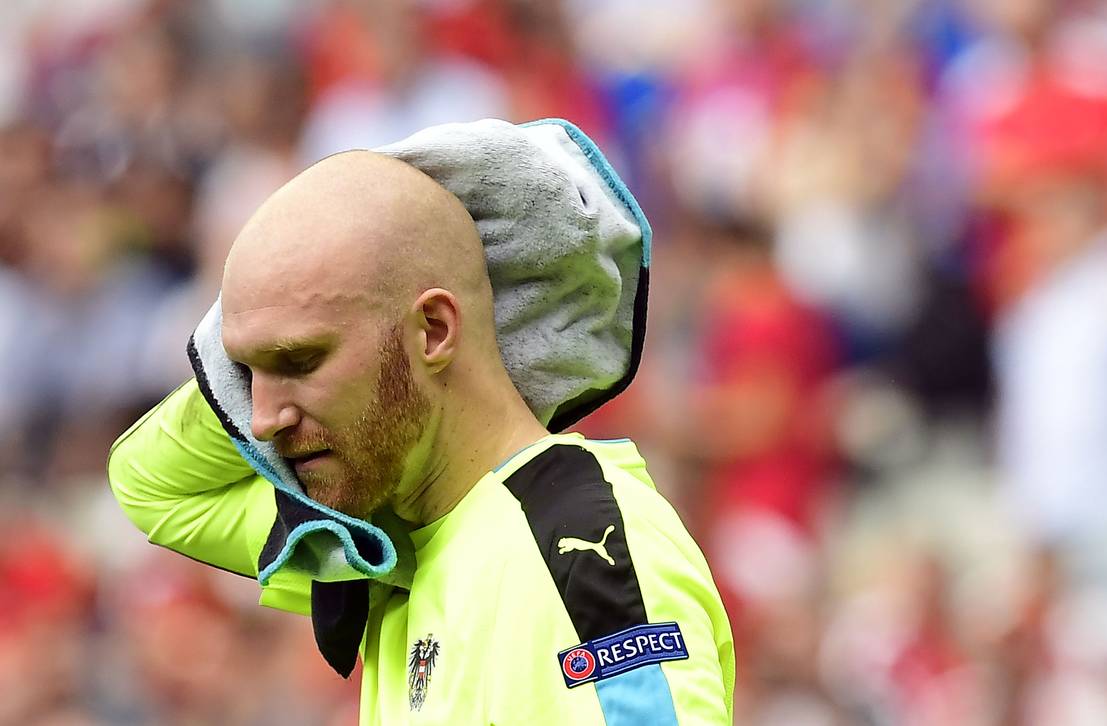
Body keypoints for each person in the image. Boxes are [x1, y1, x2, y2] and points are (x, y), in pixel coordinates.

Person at [107, 148, 735, 724]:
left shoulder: (573, 548)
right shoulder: (382, 535)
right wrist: (335, 210)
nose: (261, 418)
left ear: (434, 331)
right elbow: (148, 482)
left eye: (299, 361)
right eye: (242, 374)